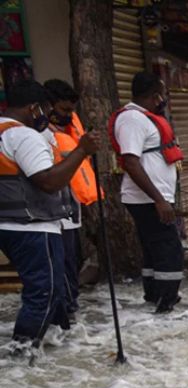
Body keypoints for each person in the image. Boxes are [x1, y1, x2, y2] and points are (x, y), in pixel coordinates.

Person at [0, 80, 98, 355]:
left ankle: (54, 343)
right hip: (34, 226)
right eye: (44, 109)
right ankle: (22, 354)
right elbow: (47, 181)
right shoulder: (24, 136)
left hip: (9, 224)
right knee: (46, 292)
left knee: (43, 290)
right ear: (34, 108)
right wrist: (82, 151)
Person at [110, 71, 184, 313]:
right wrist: (159, 200)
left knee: (155, 250)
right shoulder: (133, 120)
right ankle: (166, 303)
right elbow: (130, 162)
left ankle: (156, 297)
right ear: (154, 96)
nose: (163, 100)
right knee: (169, 250)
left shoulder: (143, 118)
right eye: (162, 95)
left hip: (154, 198)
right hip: (148, 199)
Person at [43, 79, 101, 325]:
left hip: (72, 211)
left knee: (72, 261)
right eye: (64, 110)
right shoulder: (40, 136)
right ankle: (64, 312)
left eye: (71, 111)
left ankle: (70, 308)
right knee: (63, 266)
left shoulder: (71, 133)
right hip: (54, 215)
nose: (69, 115)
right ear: (48, 106)